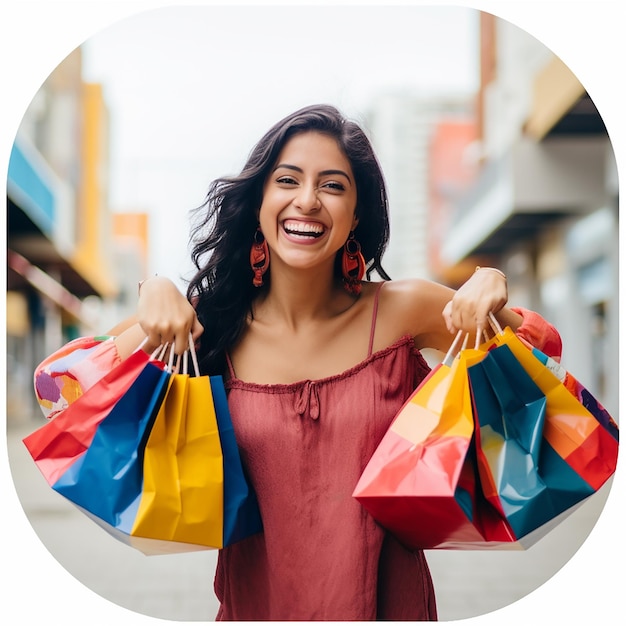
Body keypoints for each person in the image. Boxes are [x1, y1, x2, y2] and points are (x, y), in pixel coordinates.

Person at [35, 104, 562, 620]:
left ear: (356, 214)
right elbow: (57, 390)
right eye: (288, 180)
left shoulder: (405, 309)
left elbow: (547, 366)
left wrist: (494, 287)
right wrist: (151, 296)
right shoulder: (210, 324)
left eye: (332, 185)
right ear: (260, 200)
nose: (307, 201)